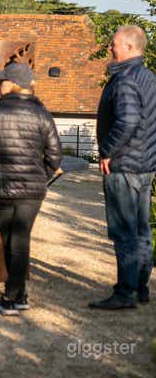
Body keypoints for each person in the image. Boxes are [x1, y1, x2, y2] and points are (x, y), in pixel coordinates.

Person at [0, 62, 62, 315]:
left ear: (11, 84)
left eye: (2, 81)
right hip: (32, 190)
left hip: (0, 186)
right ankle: (18, 294)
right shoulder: (42, 113)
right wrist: (39, 175)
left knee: (11, 239)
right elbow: (55, 154)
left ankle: (11, 296)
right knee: (19, 240)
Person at [89, 25, 156, 310]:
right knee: (141, 229)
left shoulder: (125, 80)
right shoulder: (148, 77)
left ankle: (126, 292)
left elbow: (127, 122)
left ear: (129, 47)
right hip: (144, 164)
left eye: (114, 44)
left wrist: (106, 152)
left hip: (125, 165)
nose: (110, 49)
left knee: (124, 231)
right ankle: (140, 286)